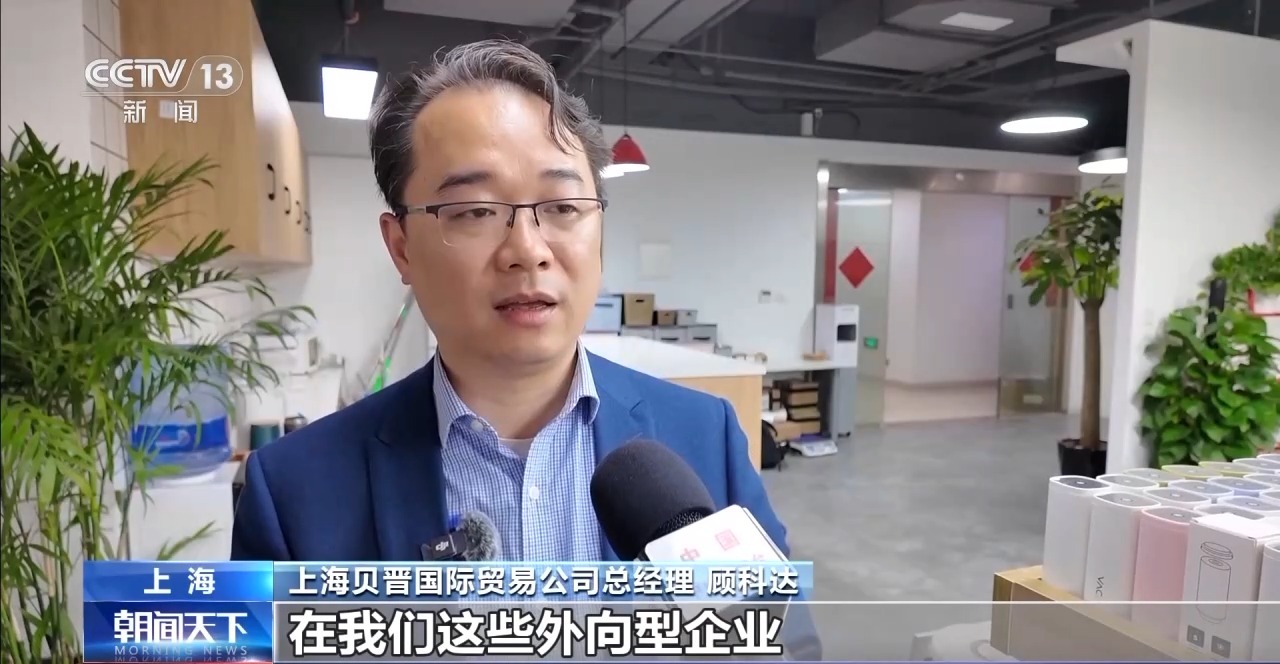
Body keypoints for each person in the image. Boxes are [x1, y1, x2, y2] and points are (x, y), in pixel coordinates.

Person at [230, 40, 789, 563]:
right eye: (475, 210)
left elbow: (779, 626)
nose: (528, 251)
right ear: (402, 248)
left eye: (563, 206)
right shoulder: (293, 493)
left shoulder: (705, 436)